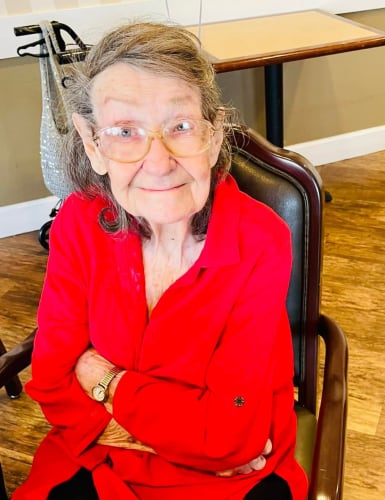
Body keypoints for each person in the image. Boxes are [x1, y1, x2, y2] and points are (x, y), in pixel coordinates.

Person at [13, 21, 308, 500]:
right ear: (94, 146)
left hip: (231, 481)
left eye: (181, 126)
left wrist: (104, 381)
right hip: (99, 458)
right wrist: (182, 438)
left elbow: (231, 435)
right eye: (125, 131)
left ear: (213, 139)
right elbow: (52, 384)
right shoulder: (79, 223)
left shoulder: (259, 238)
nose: (158, 160)